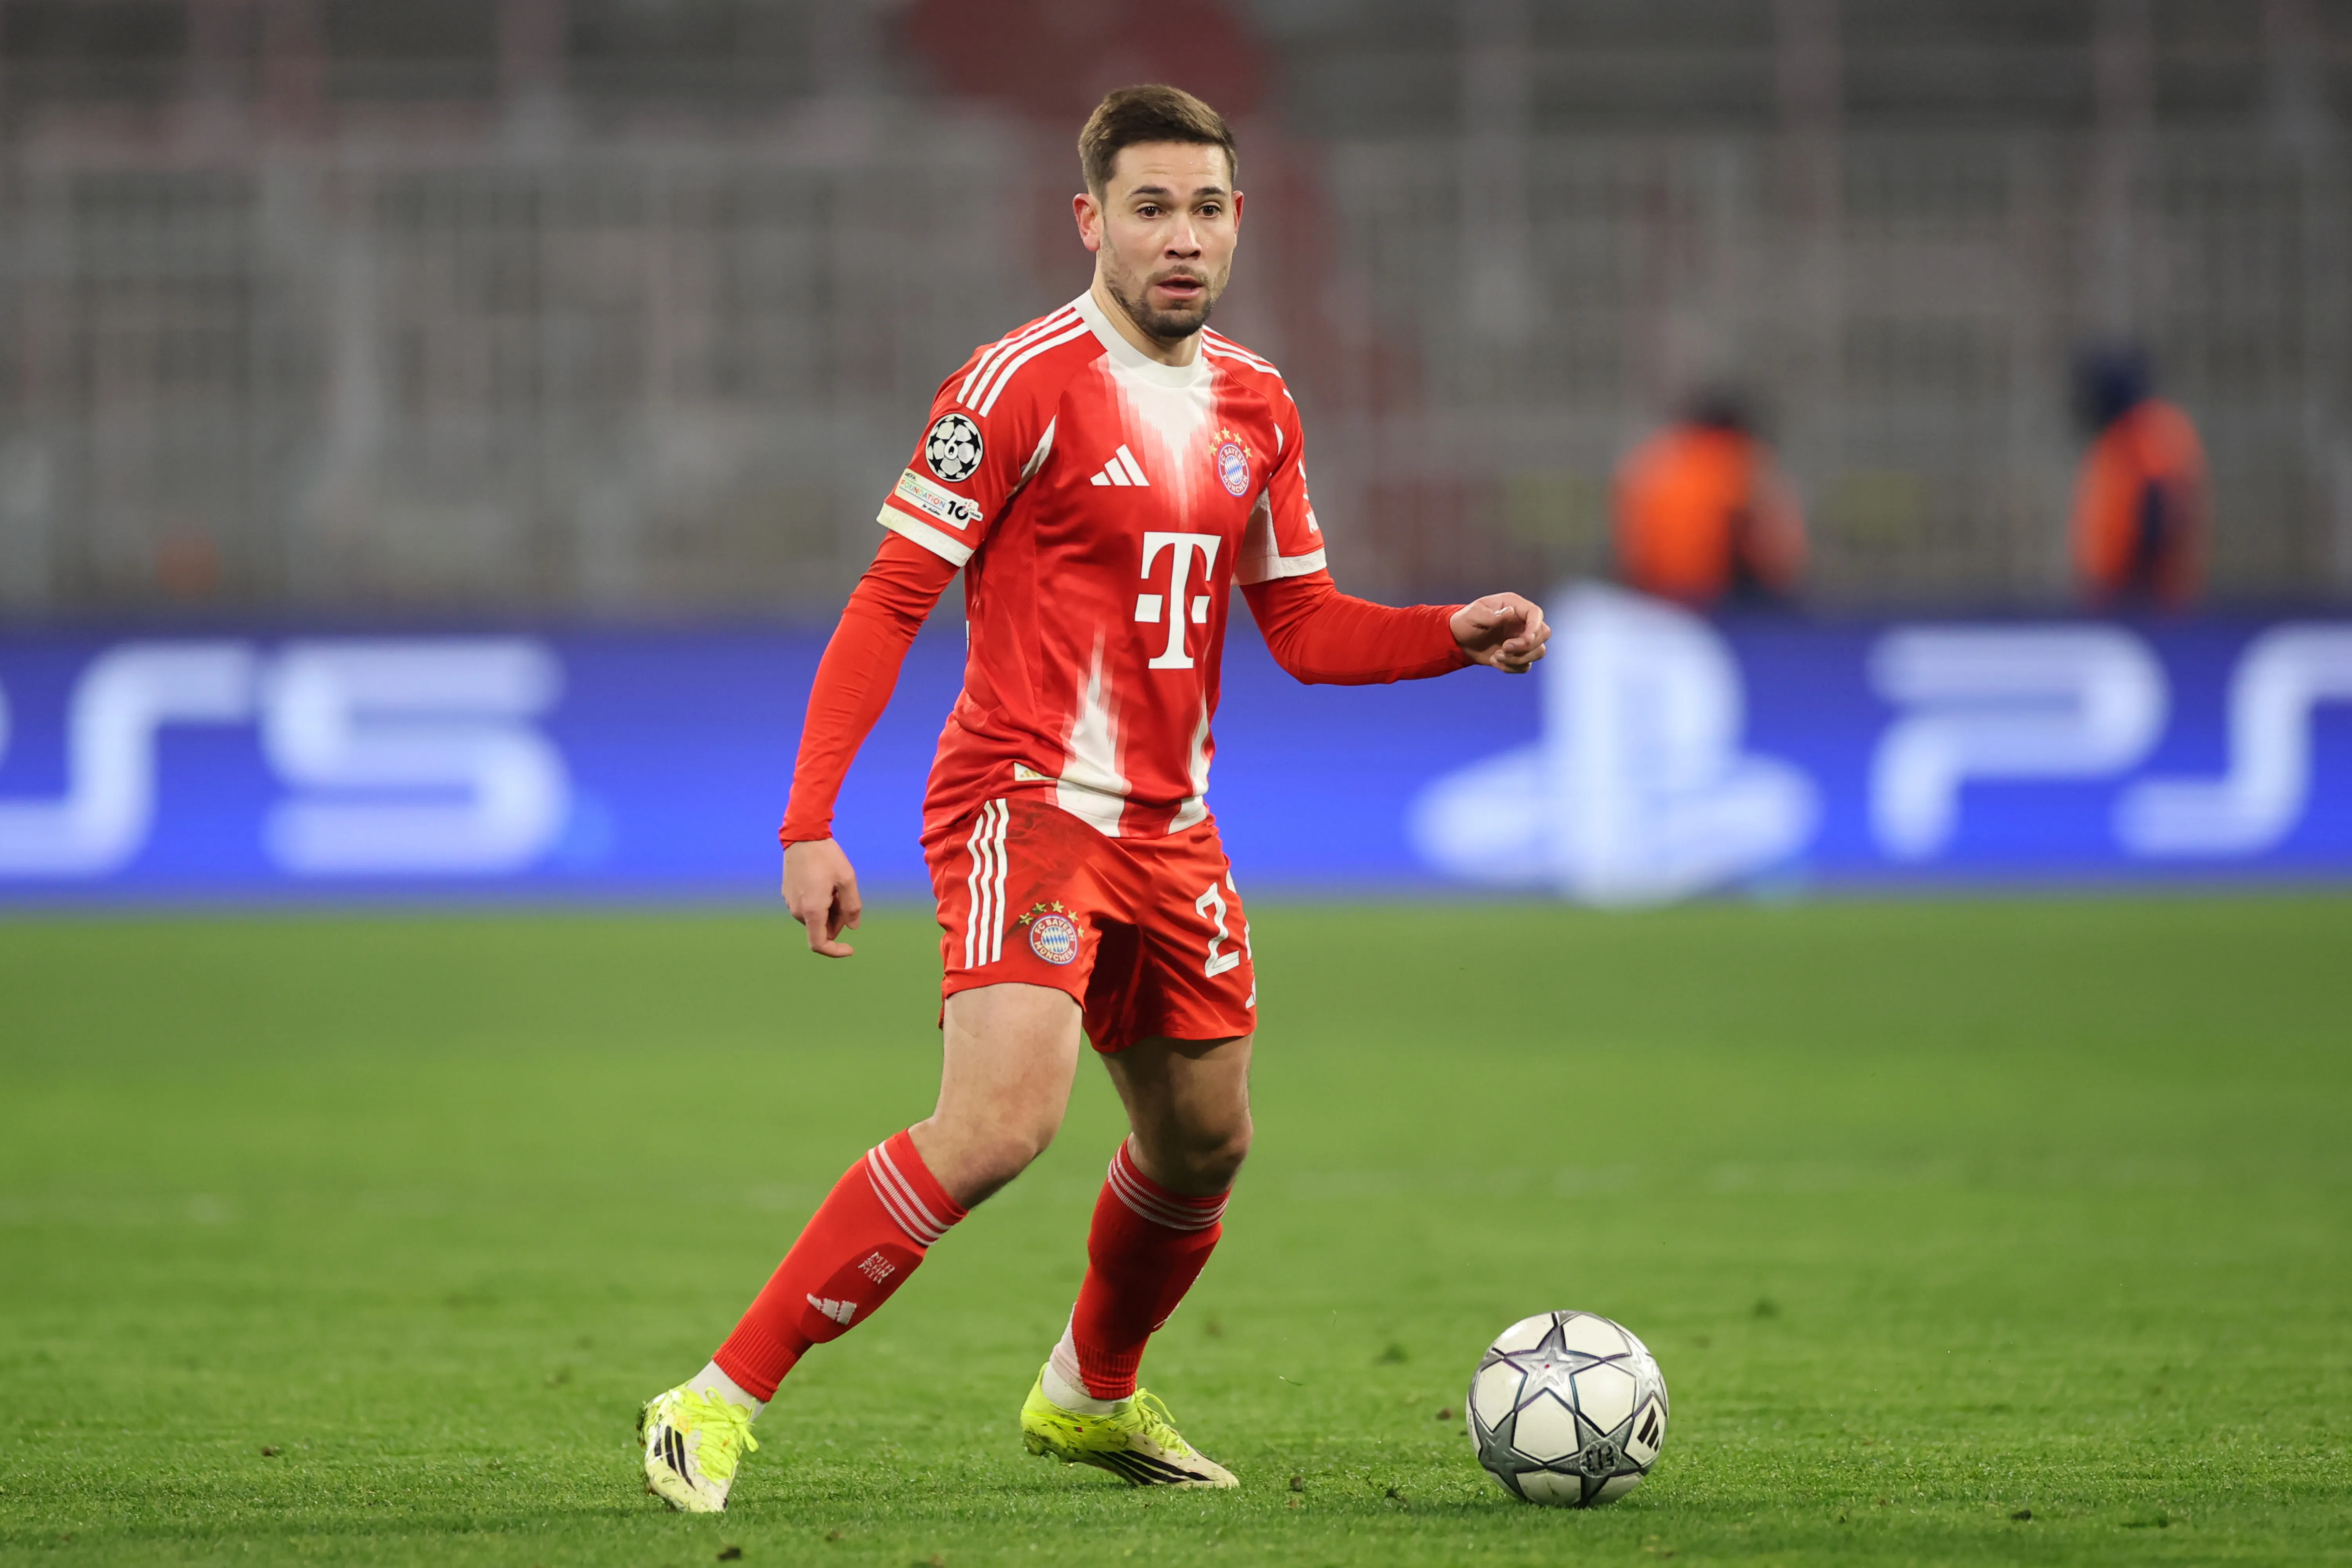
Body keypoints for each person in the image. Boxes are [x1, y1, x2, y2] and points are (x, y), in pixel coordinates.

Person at [636, 84, 1551, 1512]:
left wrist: (1450, 631)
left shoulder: (1258, 402)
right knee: (1003, 1120)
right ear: (1091, 221)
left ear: (1238, 221)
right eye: (1149, 207)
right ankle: (713, 1397)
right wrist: (809, 815)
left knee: (1205, 1141)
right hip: (1025, 798)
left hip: (1170, 828)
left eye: (1204, 207)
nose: (1180, 237)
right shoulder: (1015, 384)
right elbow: (889, 600)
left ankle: (1088, 1391)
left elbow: (1302, 629)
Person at [1612, 390, 1806, 608]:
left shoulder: (1653, 460)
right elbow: (1775, 549)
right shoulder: (1741, 462)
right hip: (1722, 599)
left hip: (1654, 596)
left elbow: (1630, 547)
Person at [2069, 345, 2208, 610]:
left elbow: (2157, 512)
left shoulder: (2146, 433)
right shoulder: (2121, 436)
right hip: (2117, 597)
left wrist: (2136, 594)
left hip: (2143, 602)